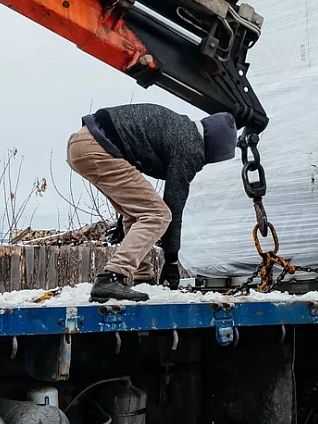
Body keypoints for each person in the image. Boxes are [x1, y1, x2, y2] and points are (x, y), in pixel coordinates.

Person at [68, 103, 236, 302]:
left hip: (81, 144)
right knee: (158, 214)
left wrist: (123, 218)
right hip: (99, 147)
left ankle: (143, 278)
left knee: (136, 214)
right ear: (212, 147)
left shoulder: (177, 126)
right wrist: (172, 259)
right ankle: (112, 277)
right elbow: (174, 204)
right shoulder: (191, 144)